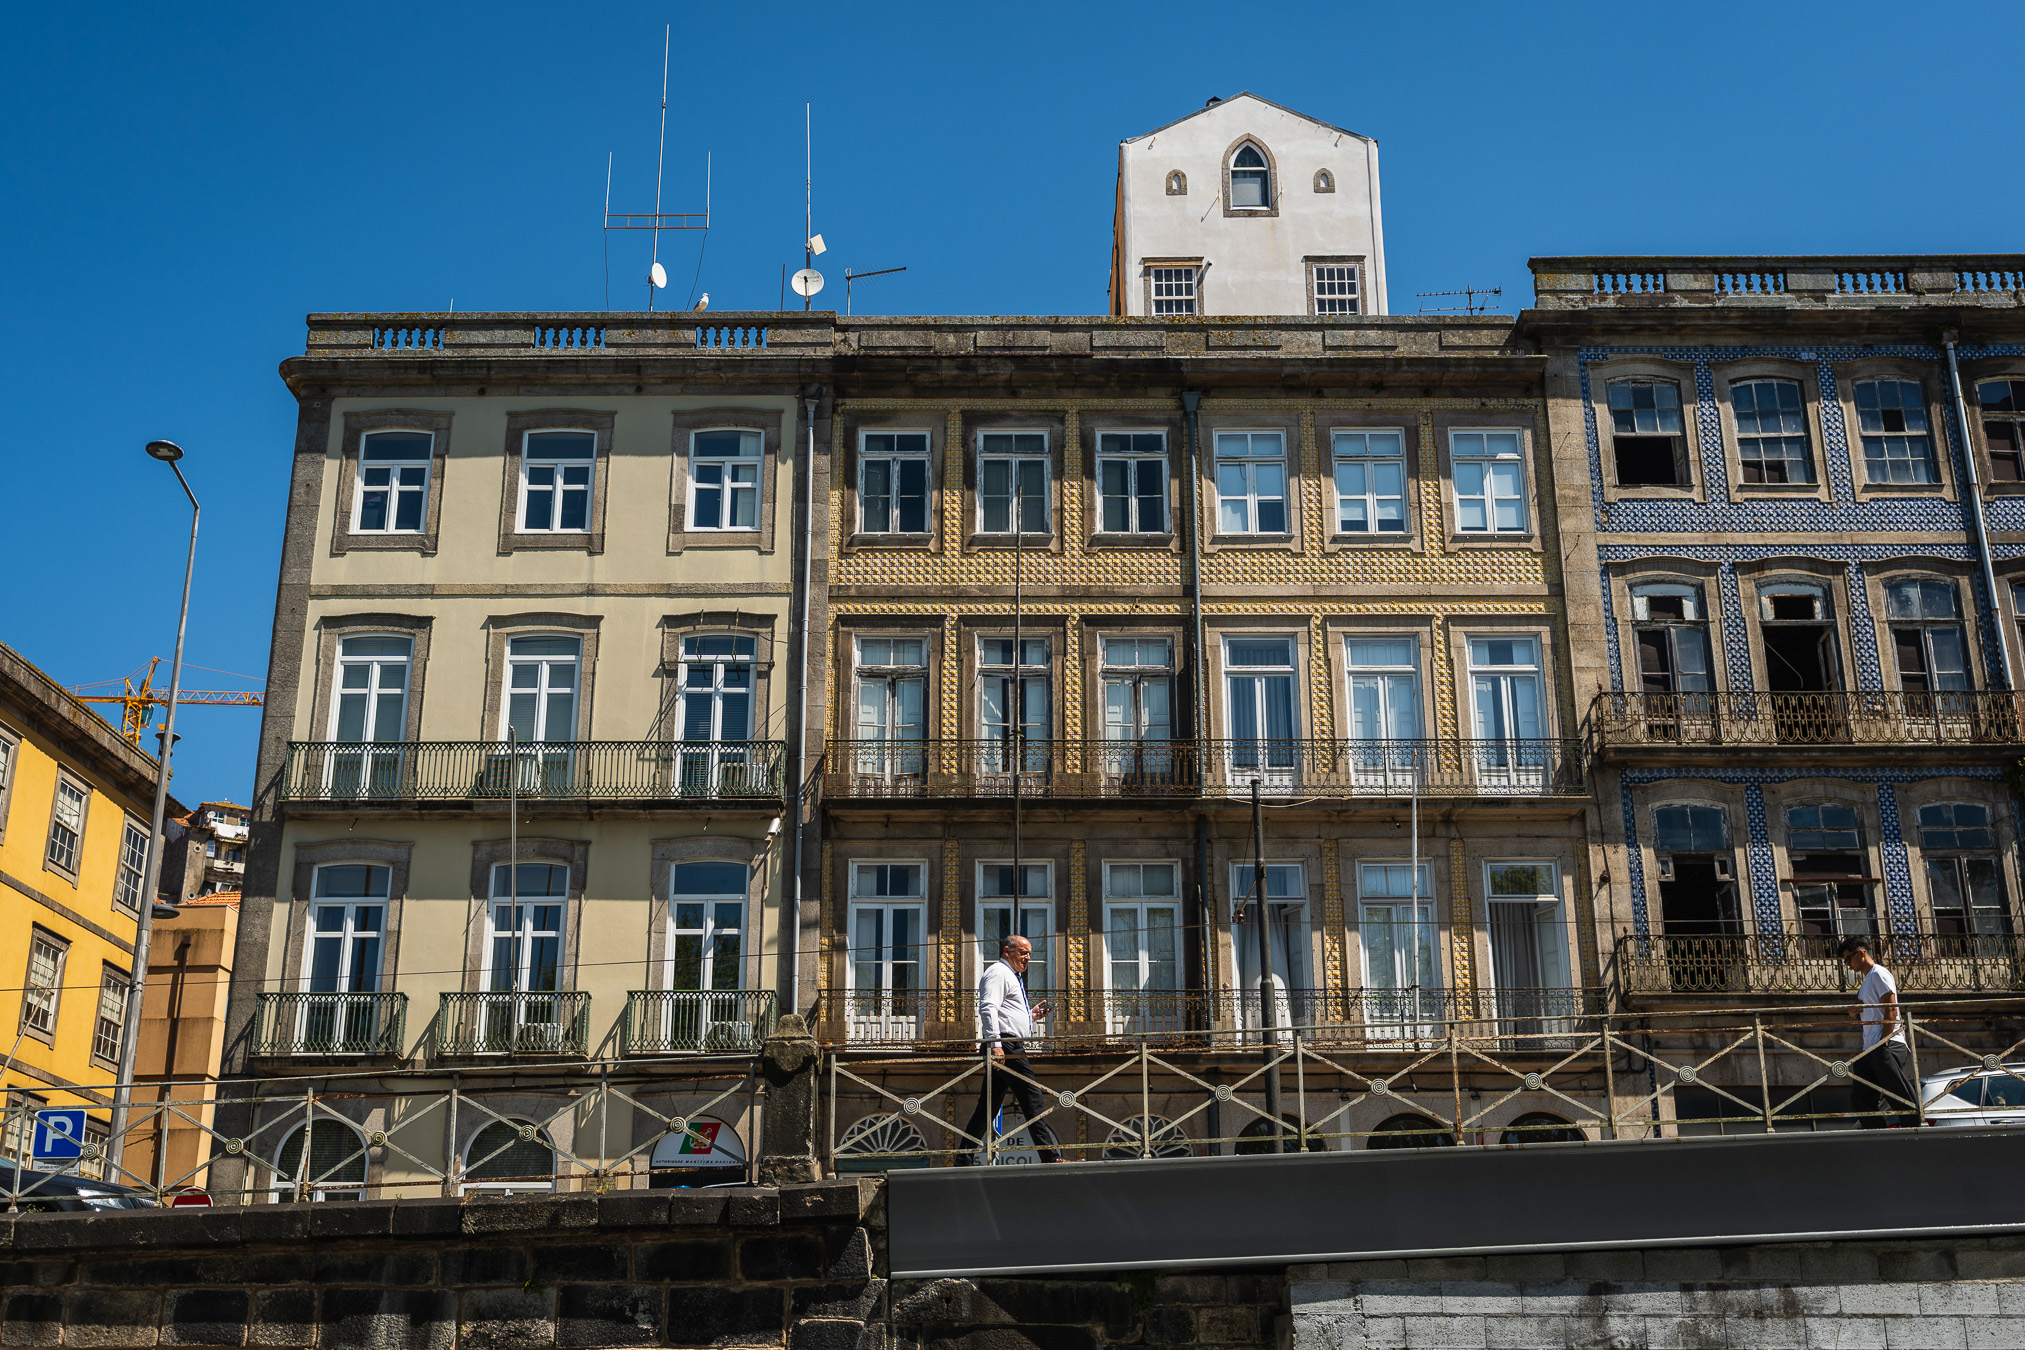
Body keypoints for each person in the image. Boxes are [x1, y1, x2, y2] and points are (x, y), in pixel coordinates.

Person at [954, 934, 1065, 1164]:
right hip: (1006, 1046)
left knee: (987, 1107)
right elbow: (988, 1008)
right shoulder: (998, 972)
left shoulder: (1011, 976)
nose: (1028, 958)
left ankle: (963, 1158)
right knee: (1032, 1097)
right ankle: (1051, 1157)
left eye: (1030, 954)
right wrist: (995, 1044)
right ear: (1007, 951)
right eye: (1023, 952)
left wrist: (1030, 1016)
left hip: (1007, 1044)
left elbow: (1005, 1014)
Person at [1840, 935, 1914, 1128]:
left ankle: (1917, 1129)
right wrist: (1854, 1012)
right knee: (1860, 1098)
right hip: (1871, 1048)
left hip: (1886, 1044)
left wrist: (1884, 1041)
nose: (1847, 965)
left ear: (1861, 953)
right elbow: (1872, 1013)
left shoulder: (1878, 974)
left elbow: (1891, 1008)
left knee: (1898, 1094)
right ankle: (1880, 1135)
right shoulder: (1866, 982)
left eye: (1848, 959)